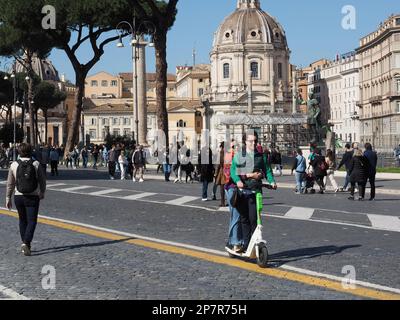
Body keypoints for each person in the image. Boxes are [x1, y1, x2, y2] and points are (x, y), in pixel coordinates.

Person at [230, 131, 276, 251]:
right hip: (242, 191)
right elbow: (233, 171)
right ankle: (246, 244)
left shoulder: (261, 156)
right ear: (245, 142)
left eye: (255, 140)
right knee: (244, 219)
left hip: (255, 191)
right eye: (251, 141)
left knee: (253, 219)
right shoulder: (239, 156)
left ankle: (254, 243)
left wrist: (272, 181)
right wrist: (237, 180)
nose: (253, 143)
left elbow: (267, 170)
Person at [5, 143, 46, 256]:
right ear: (30, 151)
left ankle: (25, 244)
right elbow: (42, 180)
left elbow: (10, 183)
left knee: (22, 220)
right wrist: (42, 192)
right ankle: (26, 243)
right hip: (32, 196)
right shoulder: (36, 163)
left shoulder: (14, 165)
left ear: (19, 152)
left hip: (18, 196)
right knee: (32, 221)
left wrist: (8, 197)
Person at [224, 139, 243, 252]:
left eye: (236, 146)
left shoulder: (238, 156)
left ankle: (234, 240)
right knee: (236, 216)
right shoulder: (229, 157)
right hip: (232, 188)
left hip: (239, 187)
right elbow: (228, 174)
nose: (235, 148)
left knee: (238, 216)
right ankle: (235, 242)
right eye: (233, 146)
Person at [212, 142, 226, 206]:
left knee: (222, 187)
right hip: (228, 171)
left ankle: (222, 202)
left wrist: (215, 173)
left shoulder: (221, 153)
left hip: (222, 172)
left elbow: (218, 164)